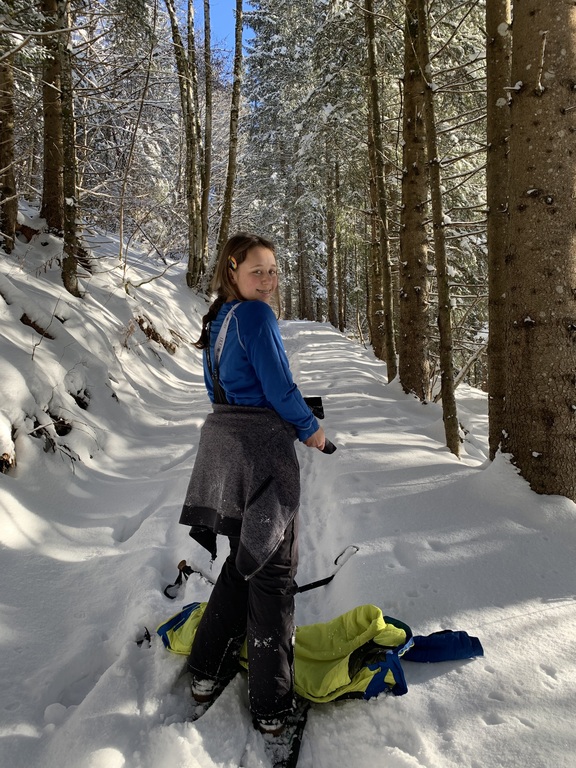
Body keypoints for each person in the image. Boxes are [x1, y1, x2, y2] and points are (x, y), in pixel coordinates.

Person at [179, 232, 325, 736]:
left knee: (245, 561)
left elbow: (235, 385)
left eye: (273, 271)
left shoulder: (220, 316)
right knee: (273, 575)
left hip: (223, 448)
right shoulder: (257, 317)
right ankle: (270, 704)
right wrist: (313, 431)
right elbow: (281, 389)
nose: (267, 281)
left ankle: (205, 669)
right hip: (260, 454)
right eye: (256, 271)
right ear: (233, 270)